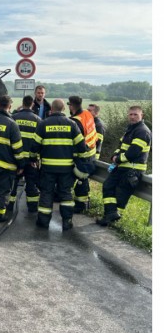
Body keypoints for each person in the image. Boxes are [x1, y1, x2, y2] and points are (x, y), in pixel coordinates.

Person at [29, 99, 90, 231]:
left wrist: (33, 158)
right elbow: (82, 147)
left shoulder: (44, 124)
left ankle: (43, 222)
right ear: (63, 109)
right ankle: (67, 222)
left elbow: (35, 146)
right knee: (66, 194)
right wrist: (83, 163)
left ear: (51, 109)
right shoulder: (72, 124)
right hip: (67, 169)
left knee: (46, 193)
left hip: (47, 168)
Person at [98, 106, 151, 226]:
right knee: (107, 186)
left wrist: (118, 159)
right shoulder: (130, 129)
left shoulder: (142, 131)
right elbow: (121, 146)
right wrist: (114, 156)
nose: (132, 117)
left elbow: (133, 152)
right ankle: (111, 214)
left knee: (121, 196)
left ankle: (112, 220)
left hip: (133, 170)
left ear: (142, 116)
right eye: (130, 114)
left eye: (135, 115)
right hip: (122, 167)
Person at [9, 95, 42, 213]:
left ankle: (9, 206)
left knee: (12, 183)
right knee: (31, 183)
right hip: (31, 160)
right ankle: (32, 208)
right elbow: (40, 142)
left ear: (22, 103)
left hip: (15, 158)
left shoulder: (13, 118)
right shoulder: (38, 120)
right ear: (32, 104)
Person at [67, 96, 98, 213]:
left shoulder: (75, 121)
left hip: (82, 155)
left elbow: (75, 142)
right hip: (91, 152)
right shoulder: (87, 113)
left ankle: (79, 205)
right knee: (82, 179)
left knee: (79, 179)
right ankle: (82, 203)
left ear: (71, 105)